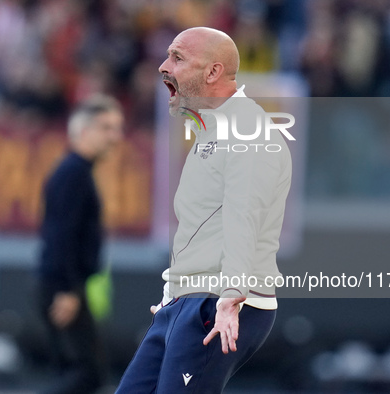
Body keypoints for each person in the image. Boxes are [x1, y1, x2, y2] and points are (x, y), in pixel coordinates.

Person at [115, 27, 293, 393]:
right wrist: (173, 294)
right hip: (187, 301)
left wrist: (231, 296)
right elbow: (203, 227)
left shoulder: (247, 130)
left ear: (212, 72)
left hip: (220, 304)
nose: (164, 66)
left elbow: (245, 215)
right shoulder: (211, 131)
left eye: (177, 58)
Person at [37, 95, 124, 394]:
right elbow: (62, 236)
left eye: (117, 128)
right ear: (84, 131)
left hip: (63, 285)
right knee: (86, 375)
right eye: (107, 128)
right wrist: (68, 289)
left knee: (74, 372)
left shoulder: (75, 172)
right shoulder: (73, 174)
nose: (115, 137)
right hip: (63, 288)